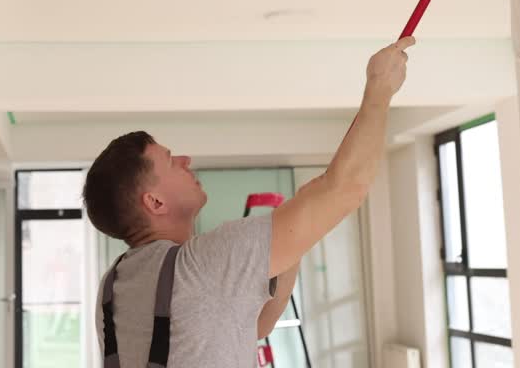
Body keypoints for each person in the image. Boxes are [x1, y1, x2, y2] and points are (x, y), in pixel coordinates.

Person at [82, 37, 415, 367]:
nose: (185, 159)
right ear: (154, 202)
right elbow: (347, 187)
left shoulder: (112, 288)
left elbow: (255, 324)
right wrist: (379, 88)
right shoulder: (202, 265)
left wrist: (295, 235)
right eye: (170, 161)